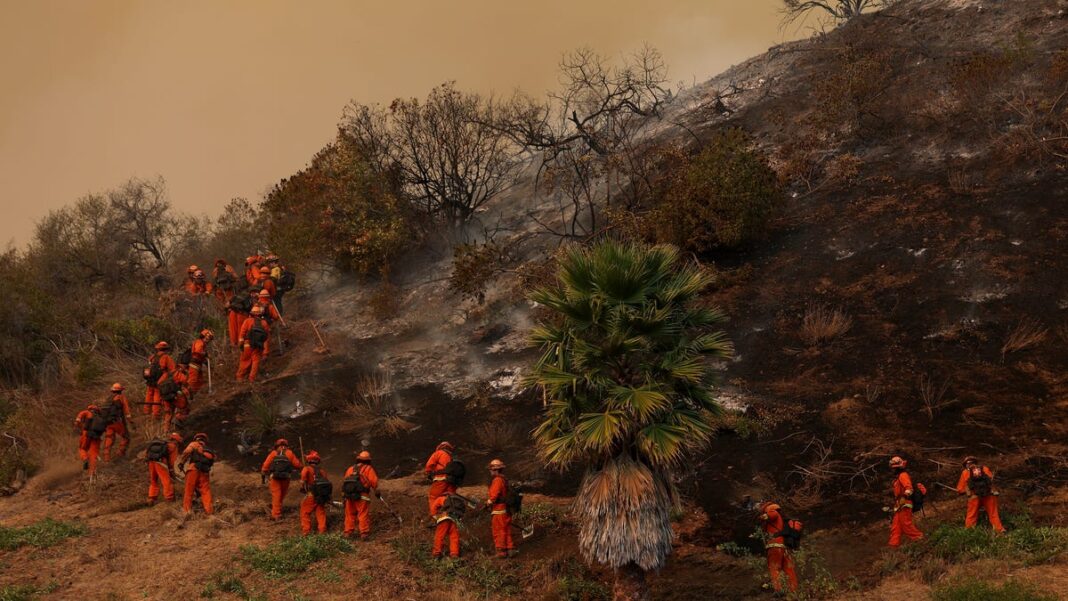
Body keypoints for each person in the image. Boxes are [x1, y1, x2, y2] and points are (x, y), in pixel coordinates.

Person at [956, 456, 1006, 532]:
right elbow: (990, 479)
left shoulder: (965, 472)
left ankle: (969, 532)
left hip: (974, 497)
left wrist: (963, 491)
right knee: (993, 514)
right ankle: (999, 530)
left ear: (966, 464)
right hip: (989, 495)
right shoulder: (984, 468)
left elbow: (960, 489)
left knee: (971, 515)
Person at [758, 501, 799, 594]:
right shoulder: (780, 518)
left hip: (774, 546)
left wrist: (761, 517)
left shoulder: (773, 512)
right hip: (783, 546)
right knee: (789, 569)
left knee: (774, 567)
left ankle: (778, 590)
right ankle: (794, 590)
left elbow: (769, 516)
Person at [261, 439, 302, 520]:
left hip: (274, 478)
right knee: (281, 496)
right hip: (286, 478)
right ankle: (276, 511)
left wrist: (263, 475)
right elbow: (297, 465)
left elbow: (265, 466)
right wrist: (303, 466)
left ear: (276, 446)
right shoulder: (289, 453)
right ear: (286, 445)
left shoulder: (273, 453)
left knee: (276, 495)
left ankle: (276, 514)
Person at [342, 450, 379, 539]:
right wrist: (376, 490)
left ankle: (348, 533)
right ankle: (364, 533)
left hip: (349, 496)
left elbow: (345, 483)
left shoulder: (350, 469)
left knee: (349, 514)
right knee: (362, 514)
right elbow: (374, 482)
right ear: (368, 460)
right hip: (362, 496)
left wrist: (344, 496)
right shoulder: (369, 469)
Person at [888, 456, 924, 547]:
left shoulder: (903, 475)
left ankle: (920, 539)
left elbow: (909, 488)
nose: (892, 470)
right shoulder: (898, 478)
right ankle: (893, 546)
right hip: (899, 505)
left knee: (906, 525)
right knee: (895, 527)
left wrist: (904, 497)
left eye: (893, 468)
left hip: (905, 504)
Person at [177, 432, 215, 515]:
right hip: (205, 472)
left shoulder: (194, 444)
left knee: (189, 491)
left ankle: (186, 512)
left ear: (196, 438)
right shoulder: (209, 449)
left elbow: (186, 452)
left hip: (193, 469)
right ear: (205, 440)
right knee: (205, 492)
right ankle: (209, 512)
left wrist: (181, 463)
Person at [484, 459, 515, 558]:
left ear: (495, 470)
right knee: (506, 529)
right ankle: (510, 549)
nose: (490, 471)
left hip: (499, 510)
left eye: (491, 469)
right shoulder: (503, 479)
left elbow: (494, 496)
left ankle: (501, 551)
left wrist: (488, 502)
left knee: (498, 530)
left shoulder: (497, 480)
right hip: (505, 509)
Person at [299, 451, 331, 535]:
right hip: (321, 496)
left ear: (309, 460)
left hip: (311, 495)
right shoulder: (322, 471)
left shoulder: (306, 468)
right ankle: (322, 530)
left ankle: (306, 531)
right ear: (317, 461)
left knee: (304, 512)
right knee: (320, 512)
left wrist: (303, 488)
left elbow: (303, 481)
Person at [237, 305, 270, 382]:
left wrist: (240, 344)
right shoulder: (264, 323)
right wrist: (265, 353)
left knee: (245, 360)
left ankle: (240, 377)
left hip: (247, 345)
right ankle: (252, 378)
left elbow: (242, 333)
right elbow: (266, 339)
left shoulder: (247, 321)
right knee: (255, 361)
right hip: (258, 346)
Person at [146, 433, 182, 505]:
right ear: (176, 441)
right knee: (166, 481)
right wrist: (171, 471)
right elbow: (171, 461)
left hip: (151, 462)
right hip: (161, 463)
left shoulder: (162, 443)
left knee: (153, 481)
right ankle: (169, 499)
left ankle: (151, 498)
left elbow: (147, 454)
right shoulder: (173, 446)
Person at [143, 341, 176, 417]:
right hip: (159, 380)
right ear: (166, 349)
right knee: (157, 397)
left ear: (158, 349)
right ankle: (156, 414)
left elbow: (149, 367)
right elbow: (173, 370)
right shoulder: (167, 358)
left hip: (150, 380)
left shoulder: (152, 357)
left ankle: (146, 411)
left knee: (149, 395)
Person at [102, 383, 132, 461]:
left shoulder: (108, 399)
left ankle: (106, 458)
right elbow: (126, 410)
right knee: (126, 437)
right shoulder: (121, 397)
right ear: (121, 390)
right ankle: (120, 454)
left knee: (109, 438)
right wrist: (130, 421)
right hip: (117, 422)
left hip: (107, 423)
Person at [424, 441, 456, 515]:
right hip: (451, 481)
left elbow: (429, 466)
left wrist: (429, 474)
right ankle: (451, 513)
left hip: (441, 479)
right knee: (449, 496)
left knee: (433, 497)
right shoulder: (450, 457)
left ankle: (435, 516)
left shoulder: (438, 453)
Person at [74, 404, 106, 475]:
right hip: (96, 437)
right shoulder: (101, 418)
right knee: (93, 454)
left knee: (82, 449)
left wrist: (78, 426)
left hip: (86, 434)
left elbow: (78, 420)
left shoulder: (86, 412)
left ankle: (85, 459)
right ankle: (92, 473)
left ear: (90, 409)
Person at [431, 492, 463, 559]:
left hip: (444, 518)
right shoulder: (455, 501)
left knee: (439, 536)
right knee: (454, 537)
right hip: (454, 519)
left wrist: (435, 517)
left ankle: (436, 553)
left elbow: (433, 508)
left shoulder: (441, 498)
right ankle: (454, 554)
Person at [187, 329, 214, 395]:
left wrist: (205, 361)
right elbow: (198, 351)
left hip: (198, 365)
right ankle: (187, 395)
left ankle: (197, 395)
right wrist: (205, 354)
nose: (209, 340)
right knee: (193, 381)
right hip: (194, 364)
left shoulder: (202, 344)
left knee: (200, 381)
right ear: (205, 336)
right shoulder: (199, 342)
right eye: (209, 338)